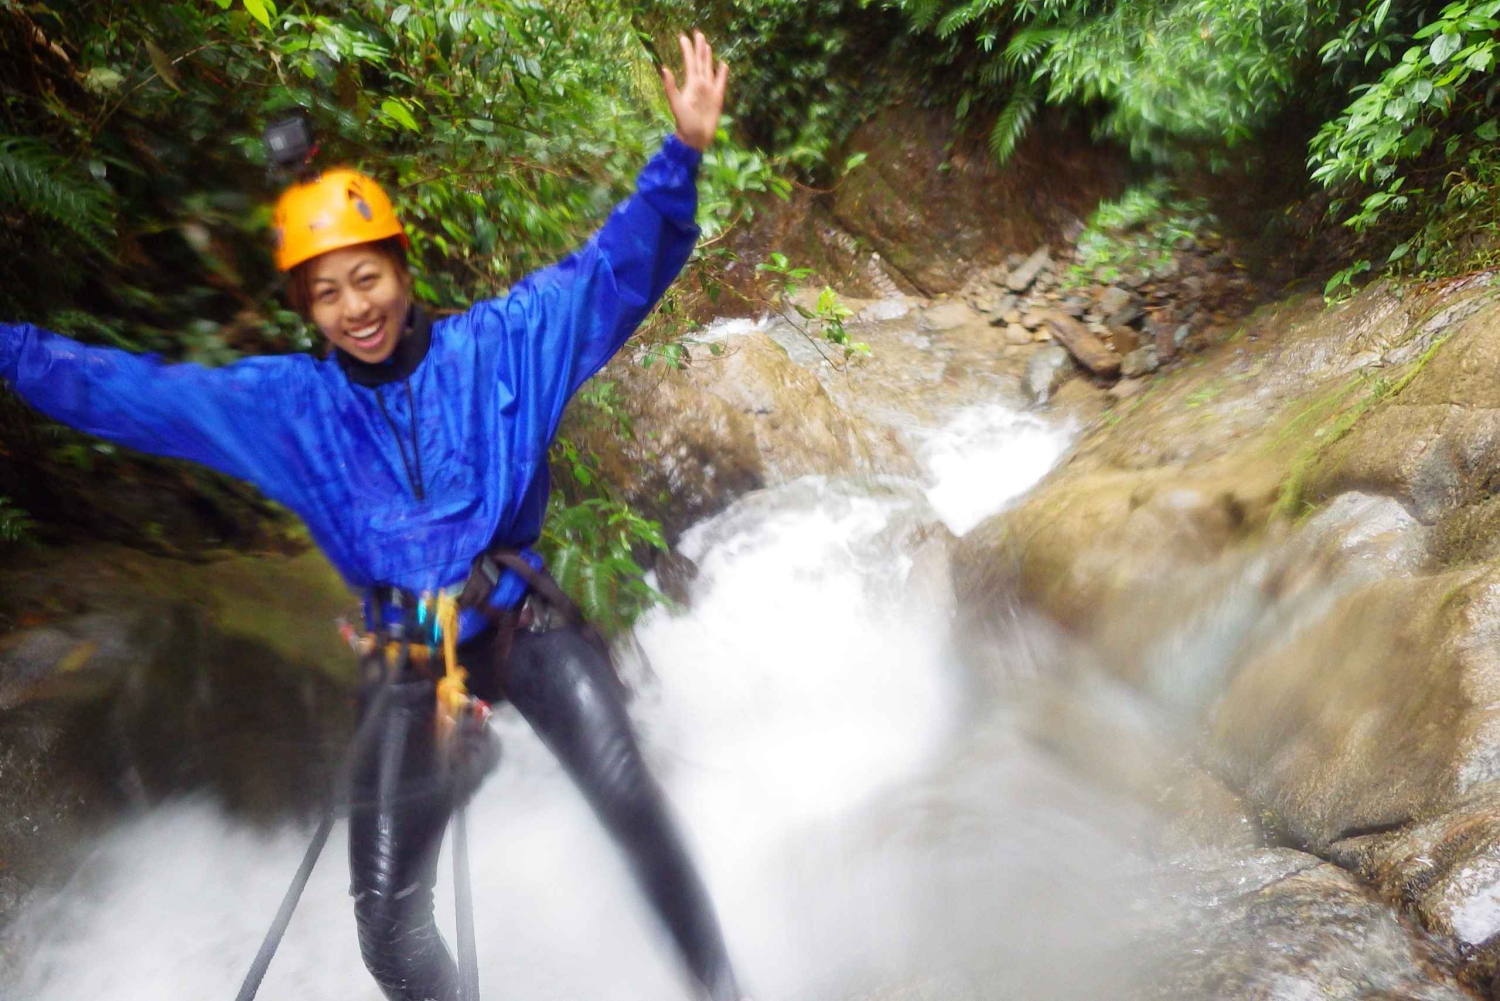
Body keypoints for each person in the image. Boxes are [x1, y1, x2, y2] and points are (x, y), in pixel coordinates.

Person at [0, 30, 745, 1001]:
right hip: (405, 659)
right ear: (305, 309)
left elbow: (615, 270)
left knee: (634, 808)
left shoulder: (504, 347)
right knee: (390, 929)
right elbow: (126, 389)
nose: (356, 307)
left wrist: (681, 152)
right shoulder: (288, 409)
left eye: (369, 277)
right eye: (326, 291)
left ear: (402, 267)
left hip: (521, 625)